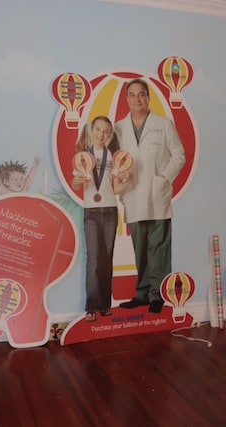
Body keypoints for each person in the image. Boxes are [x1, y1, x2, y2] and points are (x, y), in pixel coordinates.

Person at [114, 78, 186, 314]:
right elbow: (114, 162)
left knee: (159, 248)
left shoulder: (163, 124)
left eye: (142, 94)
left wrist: (164, 178)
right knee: (140, 246)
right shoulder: (119, 128)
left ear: (148, 97)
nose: (137, 99)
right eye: (132, 95)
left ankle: (158, 295)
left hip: (157, 194)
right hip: (132, 194)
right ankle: (141, 294)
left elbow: (179, 155)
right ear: (126, 99)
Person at [71, 116, 130, 322]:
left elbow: (115, 189)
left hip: (111, 211)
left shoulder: (113, 157)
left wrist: (126, 180)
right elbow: (76, 184)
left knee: (107, 258)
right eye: (98, 129)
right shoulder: (82, 156)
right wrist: (76, 181)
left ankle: (105, 305)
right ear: (91, 131)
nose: (101, 134)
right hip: (91, 213)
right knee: (94, 259)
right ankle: (91, 307)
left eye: (105, 131)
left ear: (109, 134)